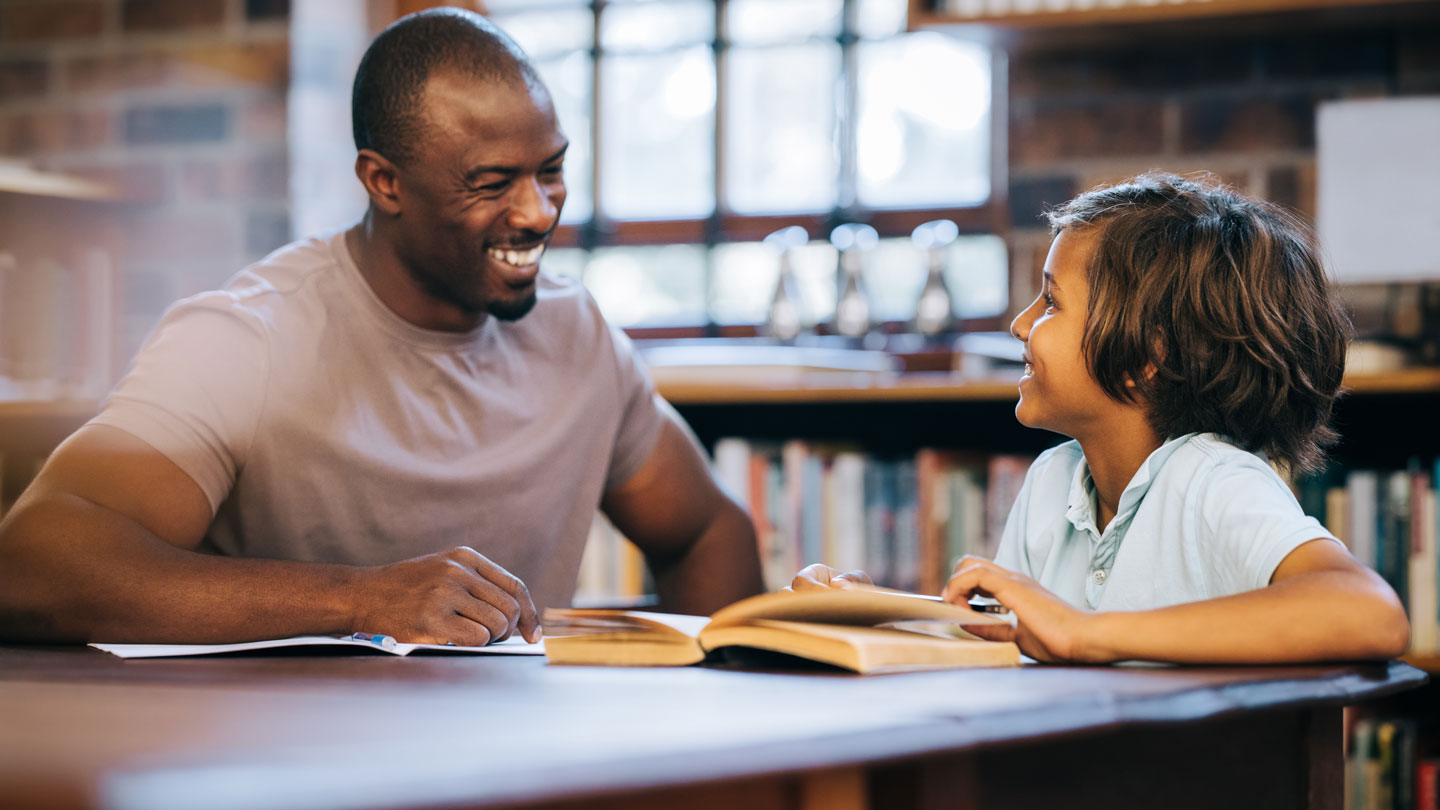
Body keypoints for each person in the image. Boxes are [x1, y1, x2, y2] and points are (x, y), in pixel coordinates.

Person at [0, 8, 763, 647]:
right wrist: (363, 601)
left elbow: (707, 534)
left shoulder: (580, 337)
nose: (537, 212)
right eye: (492, 183)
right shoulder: (250, 337)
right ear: (384, 181)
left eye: (551, 169)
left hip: (525, 767)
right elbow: (33, 562)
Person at [794, 173, 1410, 664]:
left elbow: (1369, 611)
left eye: (1051, 301)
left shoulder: (1210, 479)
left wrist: (1088, 634)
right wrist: (879, 614)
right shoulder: (1051, 482)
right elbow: (1015, 648)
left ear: (1148, 355)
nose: (1020, 324)